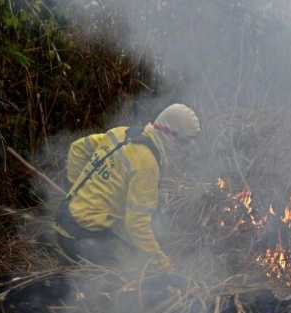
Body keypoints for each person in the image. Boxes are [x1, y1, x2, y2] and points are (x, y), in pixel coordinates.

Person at [55, 104, 201, 270]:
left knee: (128, 245)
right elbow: (136, 225)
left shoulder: (122, 133)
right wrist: (162, 263)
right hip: (82, 240)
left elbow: (77, 148)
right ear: (168, 133)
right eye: (184, 142)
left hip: (63, 223)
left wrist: (77, 189)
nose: (186, 150)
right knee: (135, 268)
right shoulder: (147, 165)